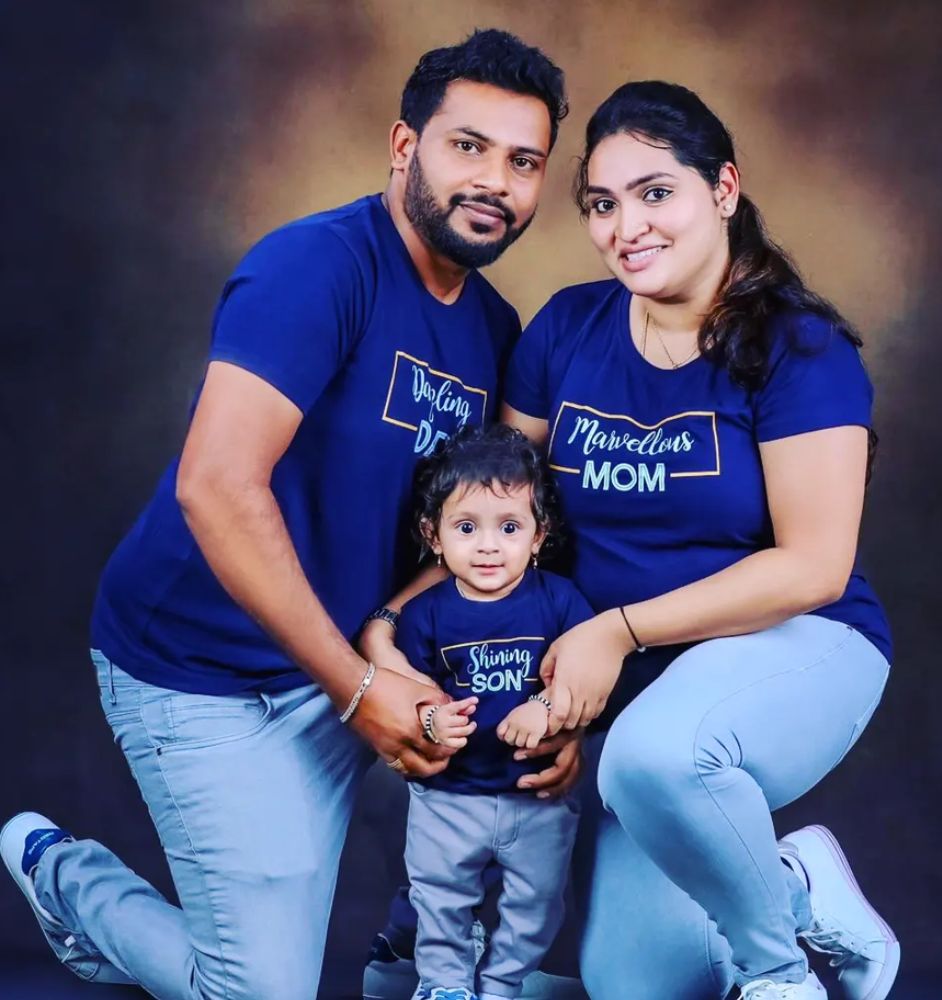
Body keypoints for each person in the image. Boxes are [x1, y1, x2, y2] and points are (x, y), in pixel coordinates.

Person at [0, 30, 573, 1000]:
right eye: (466, 147)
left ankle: (412, 958)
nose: (495, 181)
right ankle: (65, 874)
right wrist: (357, 687)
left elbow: (480, 540)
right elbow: (215, 485)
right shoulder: (316, 267)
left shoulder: (492, 333)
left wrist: (527, 699)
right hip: (200, 669)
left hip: (345, 661)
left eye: (522, 161)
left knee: (509, 808)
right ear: (404, 147)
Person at [498, 81, 899, 1000]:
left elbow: (813, 565)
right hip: (647, 702)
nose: (625, 225)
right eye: (602, 203)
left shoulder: (800, 349)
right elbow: (507, 516)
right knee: (636, 988)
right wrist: (552, 697)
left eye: (655, 192)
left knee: (655, 755)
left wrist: (617, 631)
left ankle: (777, 974)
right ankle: (799, 892)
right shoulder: (565, 329)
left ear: (723, 189)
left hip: (805, 645)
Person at [393, 424, 592, 1000]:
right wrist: (431, 720)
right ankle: (445, 984)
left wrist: (547, 704)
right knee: (438, 895)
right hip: (449, 799)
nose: (487, 546)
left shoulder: (559, 601)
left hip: (535, 796)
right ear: (434, 536)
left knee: (536, 902)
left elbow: (583, 677)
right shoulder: (426, 614)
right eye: (466, 528)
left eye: (509, 528)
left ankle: (503, 983)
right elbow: (409, 691)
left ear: (538, 535)